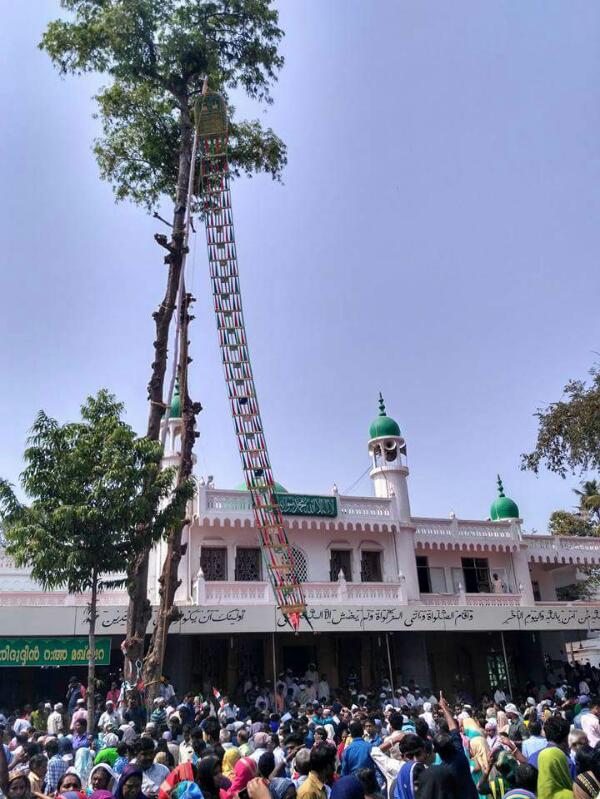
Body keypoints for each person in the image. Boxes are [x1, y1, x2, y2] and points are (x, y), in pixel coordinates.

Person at [432, 695, 478, 799]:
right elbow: (454, 728)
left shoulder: (442, 771)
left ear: (438, 752)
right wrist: (444, 707)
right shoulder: (459, 754)